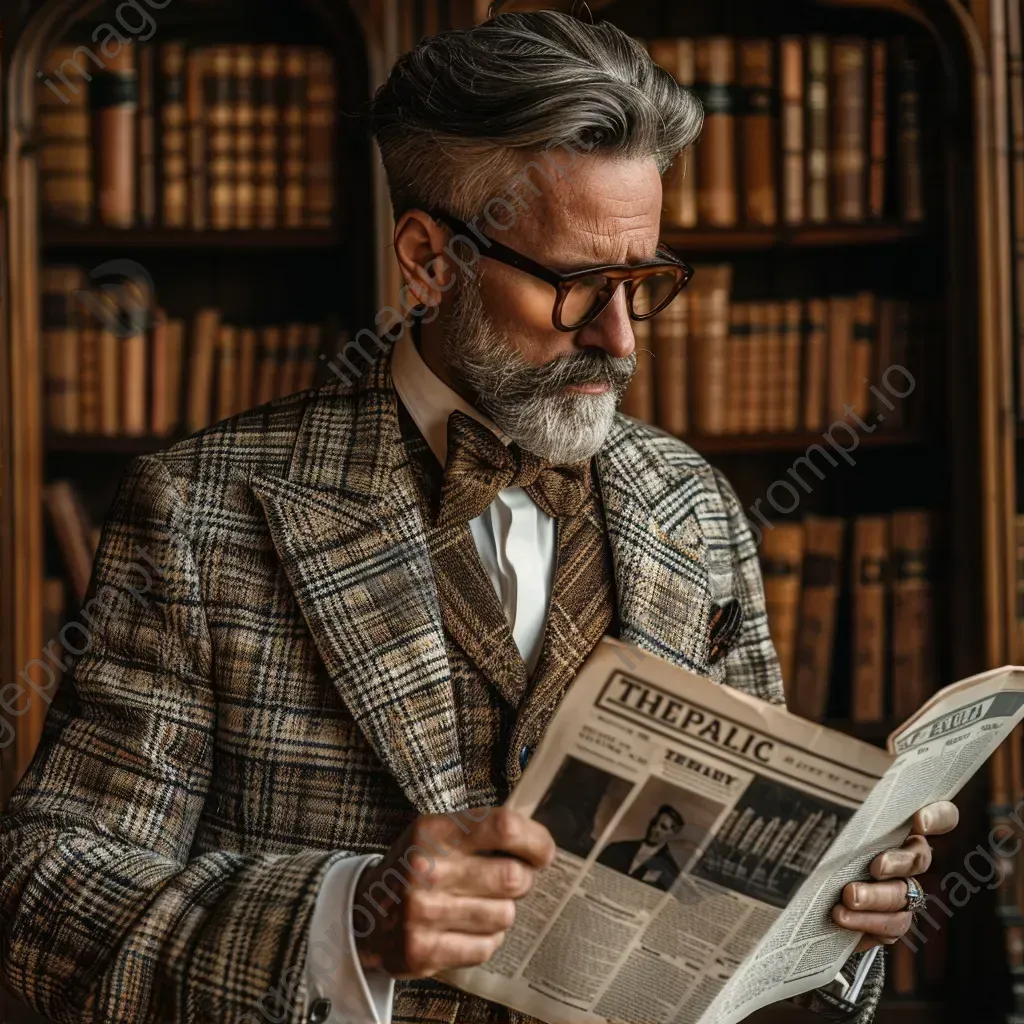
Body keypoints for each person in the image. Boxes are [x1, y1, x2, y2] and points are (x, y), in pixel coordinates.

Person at [0, 10, 958, 1024]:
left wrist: (839, 915)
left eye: (645, 281)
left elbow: (726, 914)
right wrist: (344, 919)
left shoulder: (696, 506)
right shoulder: (199, 512)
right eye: (578, 285)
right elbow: (45, 896)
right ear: (428, 259)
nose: (621, 338)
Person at [597, 805, 687, 890]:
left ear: (672, 836)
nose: (655, 829)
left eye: (663, 827)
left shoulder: (670, 871)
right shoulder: (618, 848)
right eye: (654, 823)